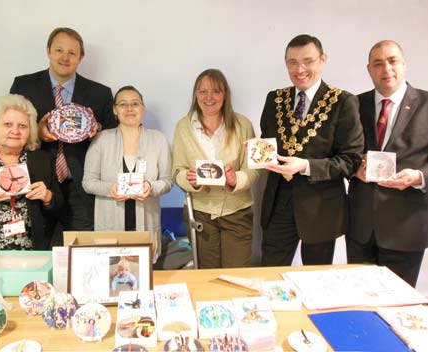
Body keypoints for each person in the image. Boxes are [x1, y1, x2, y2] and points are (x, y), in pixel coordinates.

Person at [260, 34, 364, 266]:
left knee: (316, 281)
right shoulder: (274, 99)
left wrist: (305, 166)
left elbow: (351, 160)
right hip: (279, 204)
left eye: (308, 61)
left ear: (323, 60)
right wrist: (257, 151)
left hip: (321, 208)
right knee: (268, 274)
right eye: (293, 62)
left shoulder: (343, 102)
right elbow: (267, 143)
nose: (300, 69)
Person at [9, 27, 117, 244]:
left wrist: (97, 131)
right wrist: (36, 132)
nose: (64, 57)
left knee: (81, 251)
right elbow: (9, 131)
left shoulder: (100, 93)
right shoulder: (23, 85)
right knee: (35, 246)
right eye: (59, 50)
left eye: (72, 53)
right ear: (48, 51)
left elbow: (114, 140)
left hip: (81, 187)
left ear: (81, 57)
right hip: (35, 184)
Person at [347, 40, 428, 287]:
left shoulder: (426, 104)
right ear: (369, 69)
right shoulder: (353, 106)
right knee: (357, 303)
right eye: (378, 63)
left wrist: (419, 177)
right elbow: (341, 154)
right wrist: (353, 168)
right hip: (360, 227)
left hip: (406, 228)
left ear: (404, 64)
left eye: (392, 61)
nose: (386, 69)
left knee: (397, 307)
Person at [172, 68, 259, 268]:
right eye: (203, 91)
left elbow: (255, 169)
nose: (209, 97)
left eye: (216, 91)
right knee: (207, 276)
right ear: (195, 94)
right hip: (200, 213)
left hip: (237, 212)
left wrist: (236, 179)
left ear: (225, 94)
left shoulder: (243, 124)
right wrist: (189, 179)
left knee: (236, 274)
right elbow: (177, 170)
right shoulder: (183, 127)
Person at [0, 94, 63, 266]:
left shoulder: (41, 159)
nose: (15, 131)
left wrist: (48, 197)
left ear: (30, 131)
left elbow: (60, 205)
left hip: (31, 257)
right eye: (8, 124)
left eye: (22, 126)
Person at [82, 86, 172, 259]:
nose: (129, 109)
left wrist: (150, 186)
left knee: (145, 275)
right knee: (111, 274)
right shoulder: (101, 140)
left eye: (135, 104)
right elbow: (88, 182)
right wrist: (111, 189)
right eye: (123, 104)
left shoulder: (158, 140)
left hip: (146, 222)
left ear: (142, 108)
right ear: (115, 110)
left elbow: (168, 180)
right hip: (110, 222)